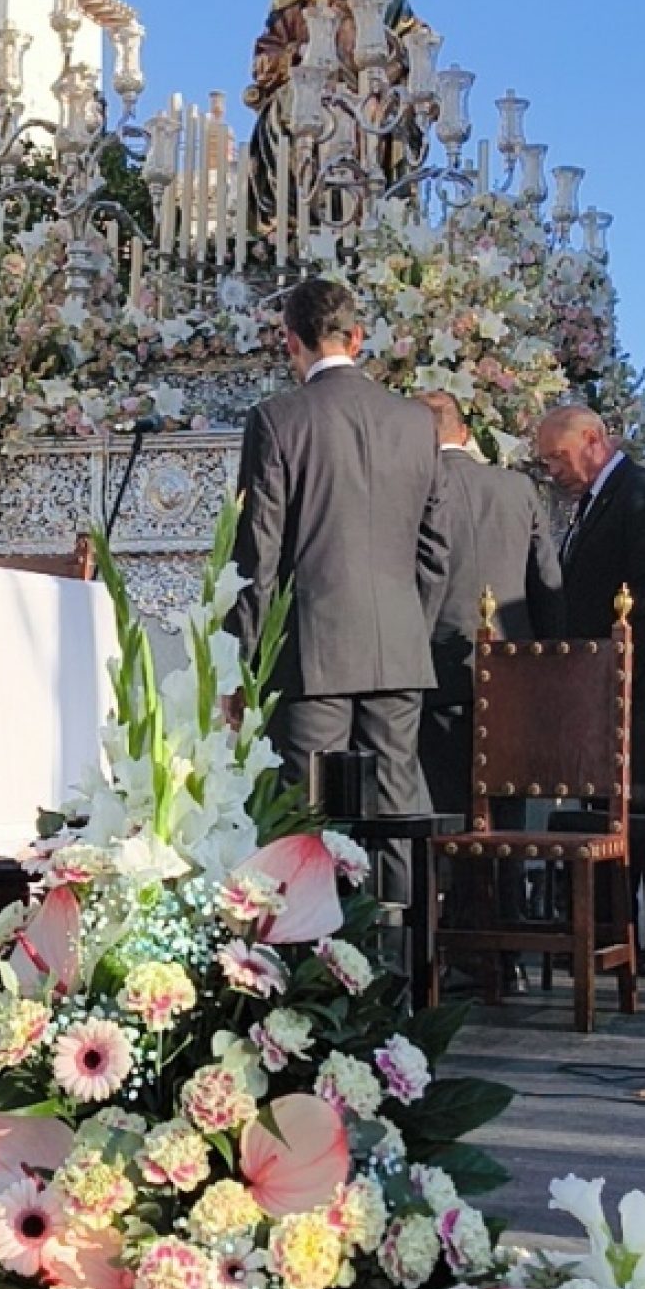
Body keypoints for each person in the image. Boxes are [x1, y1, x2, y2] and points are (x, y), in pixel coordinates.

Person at [228, 276, 448, 920]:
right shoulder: (415, 422)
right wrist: (411, 627)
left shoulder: (278, 419)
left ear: (289, 341)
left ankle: (320, 972)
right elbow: (435, 551)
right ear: (357, 337)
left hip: (311, 654)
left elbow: (257, 554)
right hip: (398, 652)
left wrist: (247, 662)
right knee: (397, 805)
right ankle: (404, 965)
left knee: (308, 816)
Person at [536, 403, 645, 973]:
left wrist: (615, 664)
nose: (552, 471)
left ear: (593, 440)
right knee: (611, 815)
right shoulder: (589, 506)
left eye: (558, 457)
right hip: (606, 690)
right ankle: (614, 935)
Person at [416, 390, 564, 815]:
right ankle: (508, 883)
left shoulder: (413, 489)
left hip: (434, 673)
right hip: (510, 673)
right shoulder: (517, 488)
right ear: (464, 433)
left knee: (443, 817)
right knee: (505, 820)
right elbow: (547, 584)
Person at [245, 0, 419, 228]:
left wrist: (389, 72)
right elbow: (266, 57)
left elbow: (414, 42)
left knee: (373, 112)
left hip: (370, 95)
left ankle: (370, 215)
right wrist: (299, 54)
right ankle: (296, 222)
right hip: (308, 95)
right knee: (284, 108)